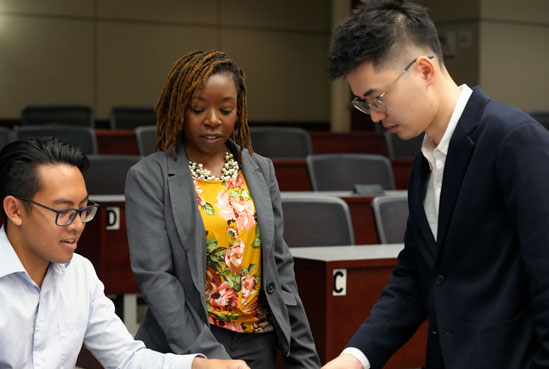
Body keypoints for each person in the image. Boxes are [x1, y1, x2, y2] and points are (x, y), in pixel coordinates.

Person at [322, 1, 549, 369]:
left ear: (424, 70)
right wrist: (355, 358)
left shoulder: (513, 140)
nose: (376, 116)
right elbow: (416, 275)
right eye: (365, 104)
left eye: (377, 98)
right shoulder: (427, 159)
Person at [124, 50, 320, 369]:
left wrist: (304, 357)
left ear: (238, 110)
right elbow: (156, 278)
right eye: (198, 108)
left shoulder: (260, 170)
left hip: (259, 340)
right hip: (186, 344)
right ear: (178, 110)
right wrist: (210, 358)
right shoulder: (149, 176)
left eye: (225, 109)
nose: (213, 119)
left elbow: (280, 268)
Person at [0, 136, 250, 369]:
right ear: (15, 210)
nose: (77, 225)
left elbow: (126, 358)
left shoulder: (80, 273)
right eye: (63, 212)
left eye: (84, 210)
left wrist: (200, 366)